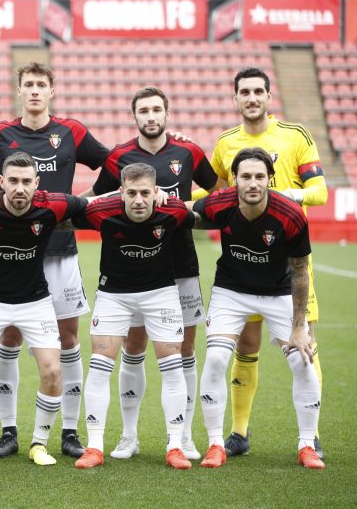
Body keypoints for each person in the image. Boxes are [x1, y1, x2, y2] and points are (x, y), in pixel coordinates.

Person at [80, 87, 225, 460]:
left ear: (167, 112)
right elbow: (97, 200)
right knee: (133, 346)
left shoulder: (188, 151)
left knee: (184, 349)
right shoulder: (118, 157)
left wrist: (179, 204)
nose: (150, 115)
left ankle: (184, 437)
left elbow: (217, 194)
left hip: (181, 266)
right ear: (135, 116)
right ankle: (129, 436)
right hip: (131, 271)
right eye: (143, 110)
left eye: (156, 109)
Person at [0, 62, 109, 458]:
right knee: (9, 338)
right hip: (13, 255)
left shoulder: (70, 131)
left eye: (41, 85)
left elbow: (114, 162)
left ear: (51, 91)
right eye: (29, 85)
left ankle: (69, 431)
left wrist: (83, 205)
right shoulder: (0, 133)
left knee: (68, 340)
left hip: (59, 252)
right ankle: (8, 431)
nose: (35, 91)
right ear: (19, 90)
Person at [206, 67, 327, 458]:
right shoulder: (226, 143)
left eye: (259, 91)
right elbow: (212, 192)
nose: (252, 98)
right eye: (245, 92)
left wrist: (285, 198)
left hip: (289, 259)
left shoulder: (295, 136)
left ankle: (312, 434)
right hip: (242, 262)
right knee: (245, 345)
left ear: (269, 96)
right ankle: (238, 433)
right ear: (236, 98)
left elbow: (320, 191)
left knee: (305, 343)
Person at [0, 152, 89, 466]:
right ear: (1, 183)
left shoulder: (53, 204)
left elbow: (98, 204)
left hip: (35, 301)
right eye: (13, 181)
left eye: (26, 182)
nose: (20, 188)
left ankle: (39, 444)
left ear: (37, 183)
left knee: (52, 369)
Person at [191, 147, 324, 470]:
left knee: (303, 361)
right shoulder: (219, 203)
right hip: (231, 291)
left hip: (278, 293)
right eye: (246, 176)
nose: (253, 183)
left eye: (260, 177)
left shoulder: (290, 213)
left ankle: (307, 444)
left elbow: (301, 271)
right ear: (234, 179)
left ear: (270, 179)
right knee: (218, 357)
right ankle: (215, 444)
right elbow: (185, 213)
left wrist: (297, 327)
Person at [71, 163, 194, 470]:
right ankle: (95, 446)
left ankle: (175, 445)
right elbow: (69, 209)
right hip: (114, 296)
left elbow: (198, 211)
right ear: (121, 192)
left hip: (161, 294)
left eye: (145, 193)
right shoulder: (102, 210)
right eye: (132, 193)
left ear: (156, 193)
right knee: (100, 367)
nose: (139, 200)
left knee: (172, 367)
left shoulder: (174, 210)